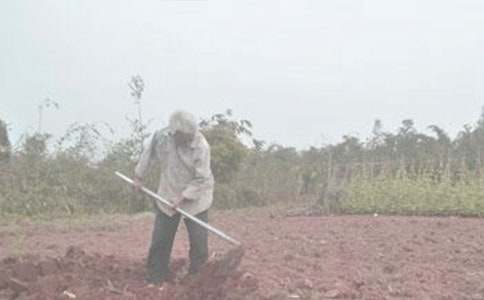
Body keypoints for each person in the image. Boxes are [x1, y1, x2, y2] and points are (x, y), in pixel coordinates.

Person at [133, 110, 214, 285]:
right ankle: (156, 277)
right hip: (168, 194)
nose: (190, 138)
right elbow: (149, 154)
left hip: (196, 197)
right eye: (185, 135)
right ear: (174, 133)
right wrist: (139, 176)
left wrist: (183, 197)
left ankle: (197, 280)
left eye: (191, 135)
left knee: (199, 242)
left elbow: (202, 178)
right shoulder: (161, 137)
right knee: (161, 239)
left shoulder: (201, 146)